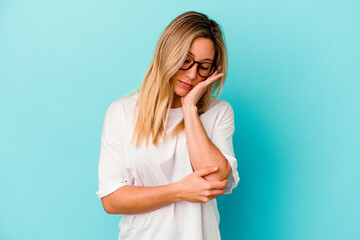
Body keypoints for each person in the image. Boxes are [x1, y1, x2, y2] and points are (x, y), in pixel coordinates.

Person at [96, 11, 239, 240]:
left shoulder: (219, 112)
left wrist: (189, 108)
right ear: (167, 54)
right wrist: (179, 190)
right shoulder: (122, 112)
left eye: (204, 66)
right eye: (185, 60)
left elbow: (215, 180)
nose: (192, 75)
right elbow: (112, 199)